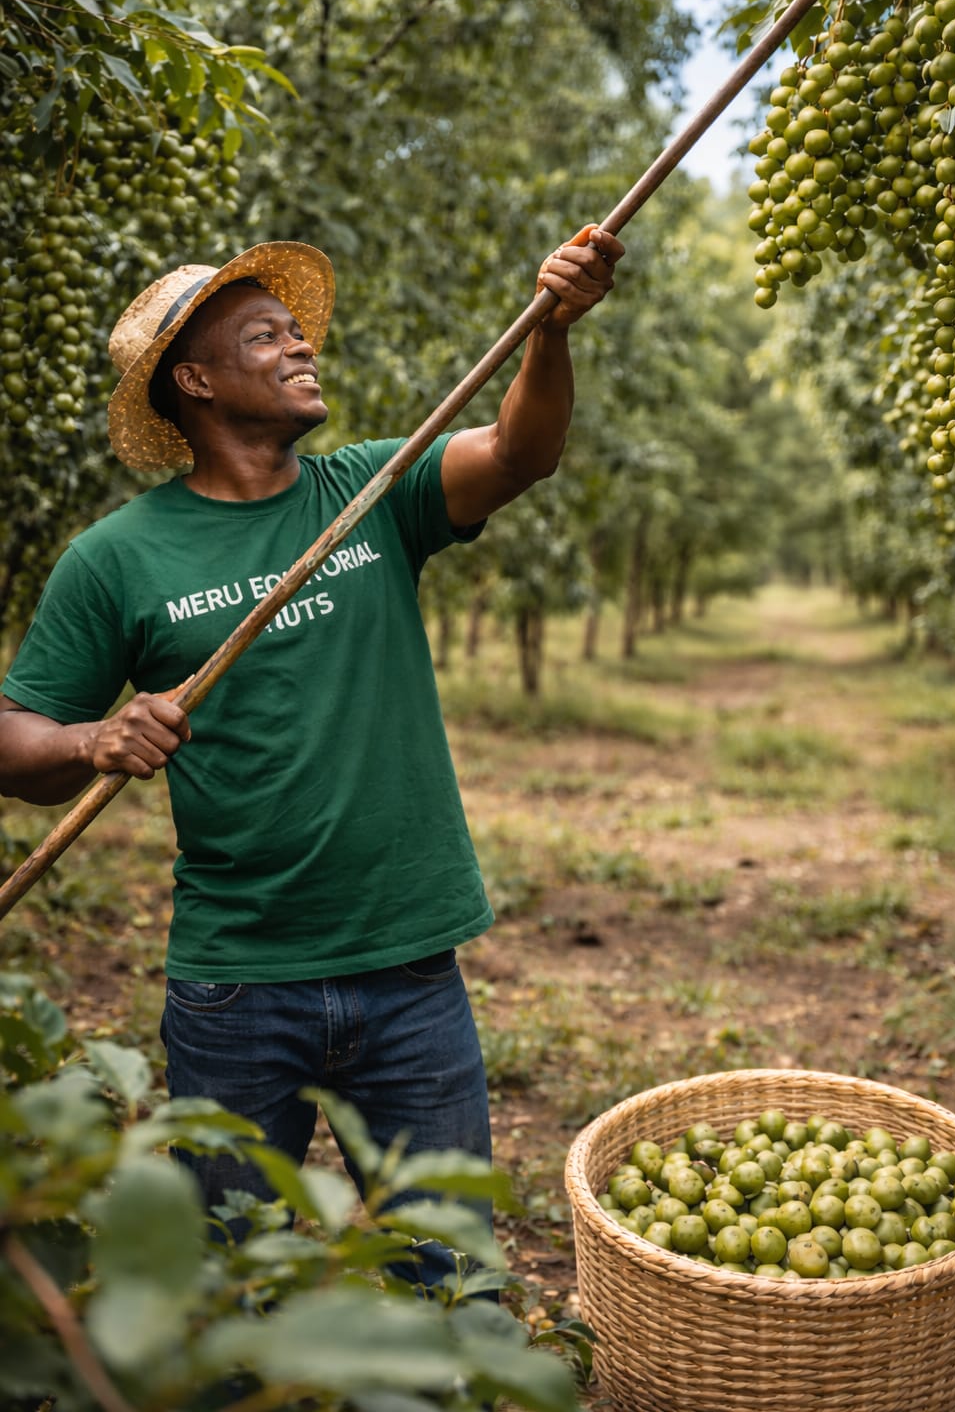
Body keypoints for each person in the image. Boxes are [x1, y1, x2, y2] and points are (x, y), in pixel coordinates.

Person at [0, 229, 623, 1280]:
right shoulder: (115, 559)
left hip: (411, 969)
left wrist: (550, 332)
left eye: (298, 333)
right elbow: (15, 743)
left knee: (447, 1272)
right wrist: (93, 736)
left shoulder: (369, 495)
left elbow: (521, 452)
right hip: (237, 988)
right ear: (194, 381)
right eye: (265, 338)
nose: (300, 349)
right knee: (225, 1288)